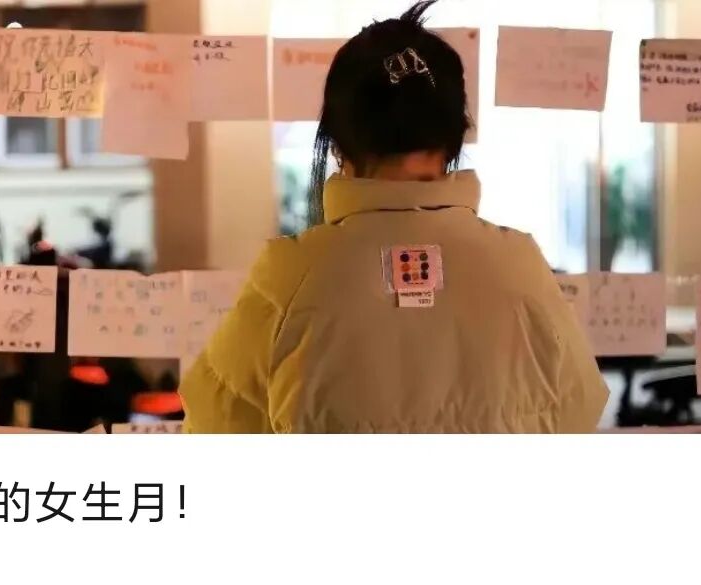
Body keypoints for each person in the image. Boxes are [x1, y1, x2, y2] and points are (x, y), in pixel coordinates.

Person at [178, 0, 609, 433]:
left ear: (338, 143)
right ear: (456, 136)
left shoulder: (291, 276)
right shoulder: (520, 265)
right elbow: (580, 407)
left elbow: (214, 423)